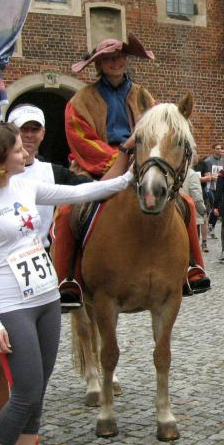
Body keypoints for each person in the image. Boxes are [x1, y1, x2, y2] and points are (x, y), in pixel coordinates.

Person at [0, 122, 135, 445]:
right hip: (10, 304)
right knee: (24, 392)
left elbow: (81, 192)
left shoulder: (26, 185)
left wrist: (129, 175)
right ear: (0, 156)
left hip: (46, 298)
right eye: (17, 148)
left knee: (37, 391)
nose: (25, 152)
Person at [55, 34, 209, 302]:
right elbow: (81, 140)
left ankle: (193, 269)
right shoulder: (80, 100)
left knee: (186, 202)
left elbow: (161, 130)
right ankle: (68, 279)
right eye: (109, 59)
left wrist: (147, 157)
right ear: (98, 64)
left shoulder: (143, 95)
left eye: (120, 57)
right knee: (68, 210)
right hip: (95, 169)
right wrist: (120, 159)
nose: (116, 62)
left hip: (142, 163)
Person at [181, 152, 207, 255]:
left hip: (174, 214)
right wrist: (202, 211)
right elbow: (197, 197)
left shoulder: (171, 172)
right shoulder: (191, 174)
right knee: (192, 249)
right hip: (189, 215)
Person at [204, 144, 224, 238]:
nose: (219, 150)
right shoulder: (208, 161)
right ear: (213, 150)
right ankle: (210, 227)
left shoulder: (223, 161)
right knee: (214, 207)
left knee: (218, 208)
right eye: (217, 149)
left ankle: (211, 227)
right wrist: (212, 177)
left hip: (219, 188)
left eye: (220, 149)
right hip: (210, 187)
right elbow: (205, 174)